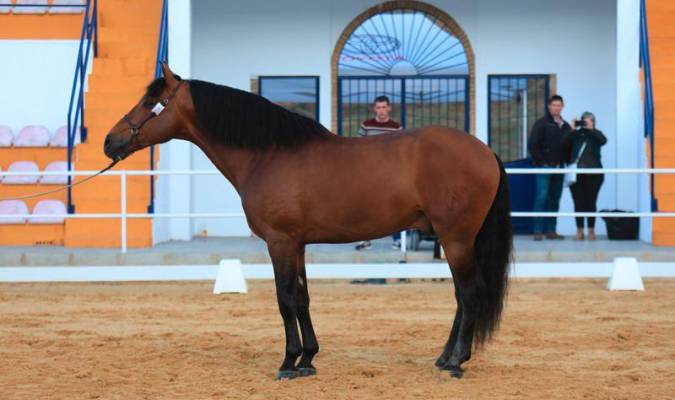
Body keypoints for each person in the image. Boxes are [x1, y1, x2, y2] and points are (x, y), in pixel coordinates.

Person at [355, 95, 403, 252]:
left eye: (384, 107)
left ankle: (397, 240)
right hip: (368, 174)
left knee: (396, 206)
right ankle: (365, 239)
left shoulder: (396, 127)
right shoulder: (366, 126)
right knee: (365, 205)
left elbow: (401, 151)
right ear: (374, 109)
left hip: (390, 174)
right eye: (378, 107)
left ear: (389, 108)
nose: (381, 110)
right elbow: (356, 148)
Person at [527, 95, 574, 241]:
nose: (556, 108)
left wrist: (572, 131)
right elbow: (533, 146)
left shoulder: (566, 126)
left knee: (555, 199)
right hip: (545, 168)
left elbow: (569, 146)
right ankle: (538, 231)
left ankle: (551, 231)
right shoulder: (541, 124)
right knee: (541, 198)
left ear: (562, 106)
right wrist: (543, 163)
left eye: (559, 105)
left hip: (560, 168)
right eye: (554, 105)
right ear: (549, 106)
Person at [568, 111, 606, 241]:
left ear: (593, 122)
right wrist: (572, 129)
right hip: (576, 174)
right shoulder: (576, 135)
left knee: (591, 202)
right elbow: (564, 144)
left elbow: (603, 140)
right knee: (578, 202)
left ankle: (591, 230)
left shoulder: (596, 134)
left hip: (594, 173)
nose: (585, 122)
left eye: (589, 120)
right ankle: (579, 231)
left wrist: (591, 129)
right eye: (583, 120)